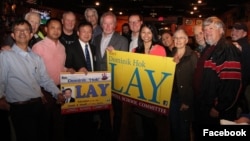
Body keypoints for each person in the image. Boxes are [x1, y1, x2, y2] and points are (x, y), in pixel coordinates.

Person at [0, 19, 65, 141]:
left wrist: (57, 93)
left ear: (31, 35)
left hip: (39, 105)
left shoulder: (36, 58)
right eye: (18, 30)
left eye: (25, 30)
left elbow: (45, 80)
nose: (22, 32)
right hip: (19, 108)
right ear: (13, 35)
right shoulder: (5, 55)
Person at [193, 16, 241, 139]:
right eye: (205, 29)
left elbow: (231, 83)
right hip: (203, 105)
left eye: (211, 28)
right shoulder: (209, 48)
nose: (207, 32)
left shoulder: (227, 49)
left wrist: (218, 107)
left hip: (214, 109)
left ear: (221, 30)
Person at [32, 18, 72, 141]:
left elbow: (60, 66)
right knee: (45, 124)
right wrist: (38, 92)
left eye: (59, 28)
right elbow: (33, 73)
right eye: (52, 28)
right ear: (46, 29)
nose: (56, 31)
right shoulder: (38, 47)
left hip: (61, 89)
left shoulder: (62, 47)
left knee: (60, 123)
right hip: (44, 91)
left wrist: (67, 69)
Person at [93, 11, 128, 141]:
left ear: (115, 25)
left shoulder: (122, 40)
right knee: (103, 109)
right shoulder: (96, 39)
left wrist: (116, 55)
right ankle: (106, 132)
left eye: (110, 23)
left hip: (116, 82)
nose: (107, 26)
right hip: (100, 81)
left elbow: (125, 63)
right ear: (101, 25)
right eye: (105, 23)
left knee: (117, 111)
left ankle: (116, 135)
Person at [132, 23, 167, 141]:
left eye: (149, 32)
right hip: (137, 92)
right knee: (139, 123)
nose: (146, 35)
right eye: (143, 32)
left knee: (150, 123)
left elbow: (163, 72)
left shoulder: (160, 49)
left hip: (152, 93)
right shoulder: (135, 50)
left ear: (153, 34)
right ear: (140, 34)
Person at [64, 21, 97, 141]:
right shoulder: (70, 47)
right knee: (76, 120)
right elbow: (67, 67)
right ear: (78, 33)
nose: (87, 34)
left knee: (89, 117)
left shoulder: (93, 48)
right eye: (84, 31)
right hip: (77, 90)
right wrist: (76, 70)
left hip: (92, 90)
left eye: (89, 32)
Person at [169, 28, 198, 141]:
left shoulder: (192, 56)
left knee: (184, 129)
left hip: (185, 98)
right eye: (175, 37)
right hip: (172, 97)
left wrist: (187, 101)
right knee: (173, 126)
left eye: (181, 37)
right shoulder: (171, 54)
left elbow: (195, 82)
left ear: (186, 40)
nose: (178, 40)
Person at [231, 22, 250, 113]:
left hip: (238, 85)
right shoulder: (241, 44)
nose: (234, 32)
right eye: (233, 29)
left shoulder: (239, 45)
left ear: (245, 34)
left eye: (238, 30)